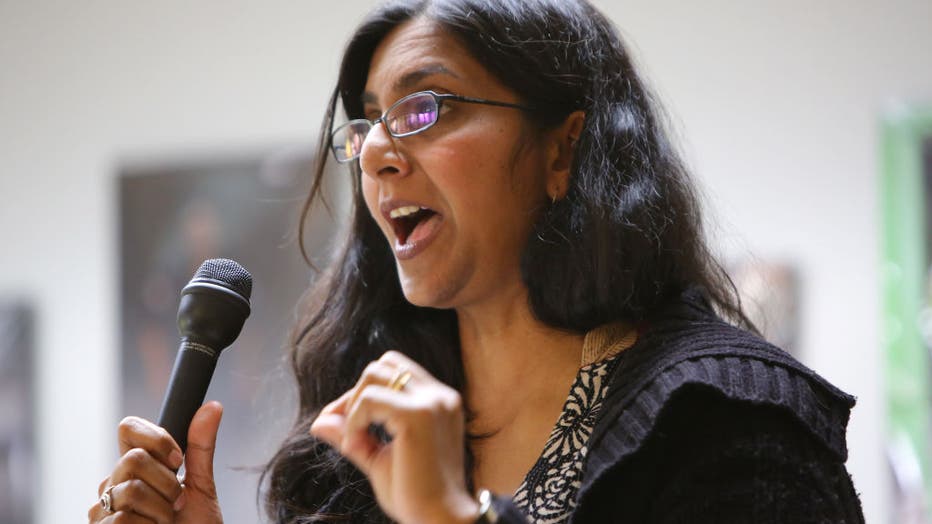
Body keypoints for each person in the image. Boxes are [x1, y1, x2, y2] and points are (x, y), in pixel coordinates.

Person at [88, 0, 865, 522]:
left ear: (563, 149)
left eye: (428, 106)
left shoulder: (729, 419)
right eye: (366, 125)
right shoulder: (353, 445)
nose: (380, 154)